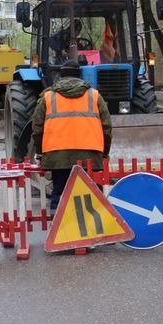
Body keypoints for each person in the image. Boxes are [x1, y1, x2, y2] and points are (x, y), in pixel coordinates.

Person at [31, 59, 112, 214]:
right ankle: (90, 228)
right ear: (80, 75)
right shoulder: (94, 96)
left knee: (59, 193)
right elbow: (107, 127)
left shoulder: (48, 97)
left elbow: (37, 128)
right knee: (89, 193)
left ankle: (57, 228)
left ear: (61, 75)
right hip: (89, 154)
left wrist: (40, 152)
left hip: (57, 154)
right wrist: (104, 152)